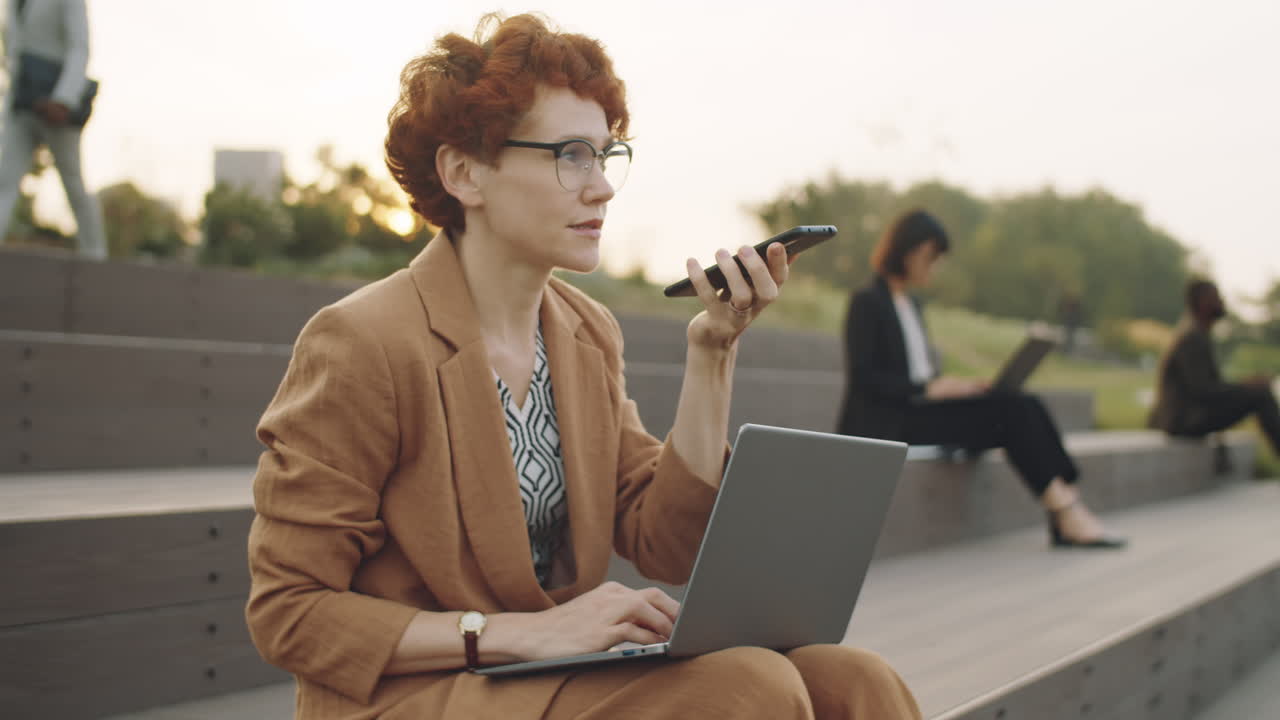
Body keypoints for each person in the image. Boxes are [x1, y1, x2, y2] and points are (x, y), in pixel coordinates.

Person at [245, 14, 922, 720]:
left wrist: (713, 352)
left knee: (854, 679)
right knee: (752, 688)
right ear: (464, 172)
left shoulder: (585, 332)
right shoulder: (361, 341)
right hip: (420, 694)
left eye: (606, 155)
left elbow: (665, 543)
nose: (600, 187)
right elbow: (289, 613)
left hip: (554, 671)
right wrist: (518, 635)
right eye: (571, 155)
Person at [835, 209, 1125, 549]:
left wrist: (955, 387)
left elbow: (916, 370)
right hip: (890, 420)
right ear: (910, 250)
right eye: (932, 257)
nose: (935, 266)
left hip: (920, 406)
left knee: (1022, 401)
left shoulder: (912, 304)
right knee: (1010, 412)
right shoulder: (867, 301)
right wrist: (928, 387)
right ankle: (1066, 512)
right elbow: (865, 377)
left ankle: (1067, 497)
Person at [0, 0, 106, 259]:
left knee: (73, 182)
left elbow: (79, 48)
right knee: (5, 178)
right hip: (23, 104)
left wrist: (63, 99)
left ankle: (95, 254)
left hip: (57, 107)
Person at [1148, 279, 1279, 453]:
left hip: (1187, 416)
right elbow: (1203, 389)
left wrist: (1245, 386)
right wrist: (1246, 386)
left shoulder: (1197, 334)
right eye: (1216, 297)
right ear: (1202, 302)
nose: (1221, 301)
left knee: (1258, 392)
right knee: (1260, 395)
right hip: (1182, 421)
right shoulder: (1191, 338)